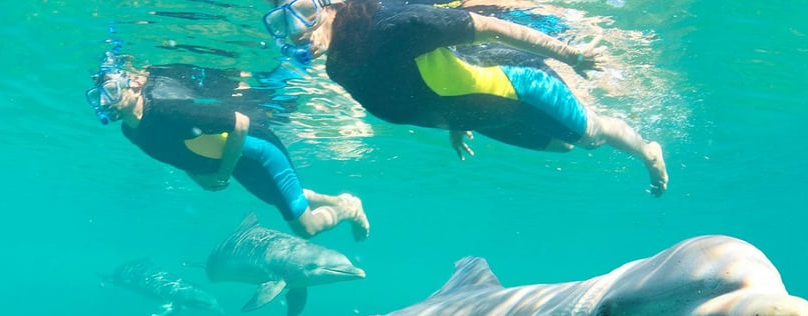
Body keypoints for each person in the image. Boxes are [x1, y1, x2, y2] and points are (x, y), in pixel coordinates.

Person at [261, 0, 669, 196]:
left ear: (330, 4)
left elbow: (491, 25)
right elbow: (412, 90)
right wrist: (453, 123)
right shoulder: (337, 67)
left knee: (590, 136)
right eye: (279, 21)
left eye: (301, 11)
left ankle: (648, 151)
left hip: (515, 84)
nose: (296, 30)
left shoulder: (393, 26)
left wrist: (570, 54)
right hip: (477, 116)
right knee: (560, 148)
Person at [85, 53, 370, 240]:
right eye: (100, 96)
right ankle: (336, 200)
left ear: (134, 84)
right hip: (235, 161)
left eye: (112, 90)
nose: (106, 101)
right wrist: (197, 177)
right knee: (278, 196)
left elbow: (240, 123)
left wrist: (222, 174)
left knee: (305, 228)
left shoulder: (168, 111)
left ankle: (349, 208)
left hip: (259, 152)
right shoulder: (129, 130)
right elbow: (173, 155)